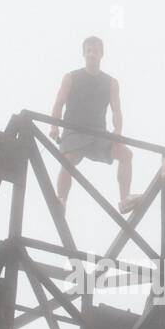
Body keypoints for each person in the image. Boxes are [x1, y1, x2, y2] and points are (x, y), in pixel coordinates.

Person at [50, 36, 135, 212]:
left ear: (101, 54)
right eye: (88, 51)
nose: (91, 54)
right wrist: (54, 126)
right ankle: (61, 201)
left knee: (126, 154)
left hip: (98, 134)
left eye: (95, 51)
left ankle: (125, 199)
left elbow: (116, 111)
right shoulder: (71, 77)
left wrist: (117, 134)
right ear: (83, 53)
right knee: (68, 160)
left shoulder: (111, 83)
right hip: (74, 131)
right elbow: (59, 103)